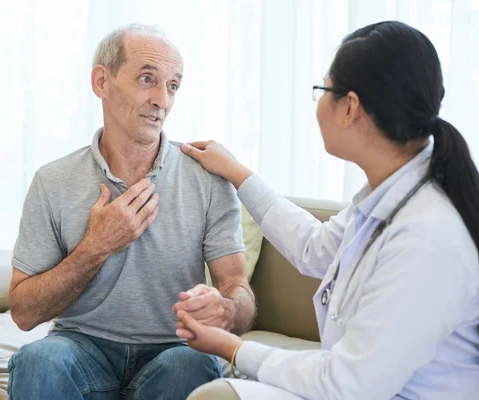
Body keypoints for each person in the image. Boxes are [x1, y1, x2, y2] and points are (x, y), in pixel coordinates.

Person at [177, 21, 479, 400]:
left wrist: (232, 348)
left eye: (322, 90)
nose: (317, 105)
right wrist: (237, 174)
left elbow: (348, 384)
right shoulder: (391, 193)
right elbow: (315, 247)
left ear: (350, 106)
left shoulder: (428, 236)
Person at [6, 24, 256, 400]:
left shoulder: (207, 180)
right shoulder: (53, 181)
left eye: (173, 85)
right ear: (101, 81)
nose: (162, 100)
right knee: (39, 361)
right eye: (146, 79)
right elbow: (23, 313)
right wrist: (97, 246)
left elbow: (240, 293)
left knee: (193, 366)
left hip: (173, 349)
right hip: (80, 347)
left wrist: (228, 309)